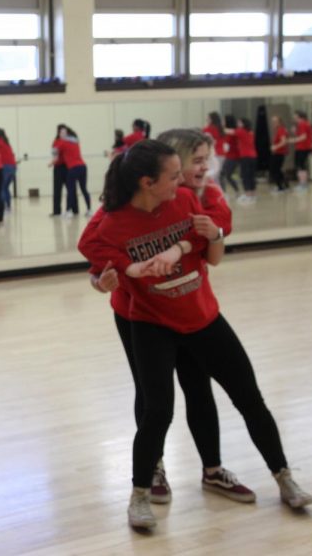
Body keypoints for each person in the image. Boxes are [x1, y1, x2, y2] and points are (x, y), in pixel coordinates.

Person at [78, 139, 312, 530]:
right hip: (150, 324)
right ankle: (139, 495)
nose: (185, 179)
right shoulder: (113, 221)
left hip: (203, 317)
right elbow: (94, 253)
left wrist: (186, 245)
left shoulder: (187, 199)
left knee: (249, 399)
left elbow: (206, 240)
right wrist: (117, 274)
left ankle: (284, 478)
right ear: (147, 182)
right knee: (157, 411)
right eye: (176, 174)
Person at [81, 128, 253, 507]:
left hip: (188, 305)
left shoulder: (205, 195)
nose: (204, 167)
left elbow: (214, 243)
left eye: (208, 158)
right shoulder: (126, 202)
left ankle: (213, 470)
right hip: (137, 314)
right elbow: (97, 252)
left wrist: (193, 242)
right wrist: (101, 280)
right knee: (154, 397)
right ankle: (152, 466)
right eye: (196, 161)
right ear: (168, 165)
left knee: (199, 387)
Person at [52, 125, 91, 217]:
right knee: (84, 189)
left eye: (62, 133)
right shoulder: (75, 141)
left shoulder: (61, 143)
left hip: (73, 168)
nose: (61, 134)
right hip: (83, 166)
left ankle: (68, 211)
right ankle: (89, 209)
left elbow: (55, 154)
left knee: (71, 189)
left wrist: (51, 162)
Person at [230, 118, 257, 204]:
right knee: (251, 176)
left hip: (246, 157)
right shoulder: (250, 132)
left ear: (243, 124)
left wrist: (219, 126)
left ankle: (248, 195)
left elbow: (229, 132)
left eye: (239, 122)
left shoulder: (241, 131)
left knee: (245, 176)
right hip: (253, 156)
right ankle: (252, 194)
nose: (237, 124)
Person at [0, 127, 17, 211]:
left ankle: (2, 207)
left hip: (6, 167)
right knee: (5, 187)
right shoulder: (5, 142)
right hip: (12, 167)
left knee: (1, 187)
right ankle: (8, 206)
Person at [289, 110, 312, 191]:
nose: (293, 117)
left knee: (301, 166)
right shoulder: (304, 124)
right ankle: (303, 184)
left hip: (303, 148)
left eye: (294, 115)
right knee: (301, 166)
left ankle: (303, 184)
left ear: (298, 116)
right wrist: (295, 132)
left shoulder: (302, 123)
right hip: (304, 147)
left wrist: (292, 140)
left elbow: (303, 137)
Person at [218, 114, 240, 196]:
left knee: (226, 175)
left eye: (224, 120)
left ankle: (232, 191)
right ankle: (226, 192)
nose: (222, 122)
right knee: (225, 175)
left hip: (233, 157)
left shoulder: (232, 131)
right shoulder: (228, 132)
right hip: (229, 156)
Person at [50, 124, 69, 216]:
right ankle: (56, 211)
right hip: (58, 167)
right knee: (57, 189)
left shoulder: (70, 141)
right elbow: (54, 155)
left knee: (71, 189)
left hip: (68, 166)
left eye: (65, 132)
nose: (64, 134)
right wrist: (53, 162)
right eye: (62, 132)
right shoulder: (56, 142)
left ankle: (73, 209)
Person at [202, 112, 226, 181]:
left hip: (213, 154)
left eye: (208, 118)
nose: (206, 119)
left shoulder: (207, 129)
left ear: (212, 119)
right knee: (218, 176)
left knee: (212, 177)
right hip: (222, 154)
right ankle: (221, 190)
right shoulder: (221, 129)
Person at [269, 115, 290, 193]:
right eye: (272, 121)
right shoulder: (278, 130)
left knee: (274, 170)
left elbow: (284, 141)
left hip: (279, 153)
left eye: (275, 121)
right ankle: (284, 185)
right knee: (277, 170)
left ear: (279, 122)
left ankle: (280, 187)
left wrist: (275, 147)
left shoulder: (281, 130)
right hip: (278, 153)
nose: (273, 123)